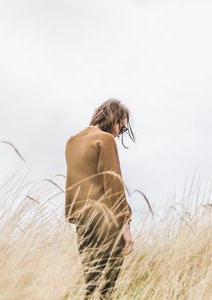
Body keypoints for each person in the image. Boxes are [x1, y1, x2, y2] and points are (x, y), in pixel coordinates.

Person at [64, 98, 135, 299]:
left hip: (82, 222)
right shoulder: (105, 139)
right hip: (106, 221)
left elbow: (73, 184)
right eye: (121, 127)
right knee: (106, 288)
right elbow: (113, 184)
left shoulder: (72, 141)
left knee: (91, 282)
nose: (119, 133)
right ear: (115, 118)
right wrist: (125, 224)